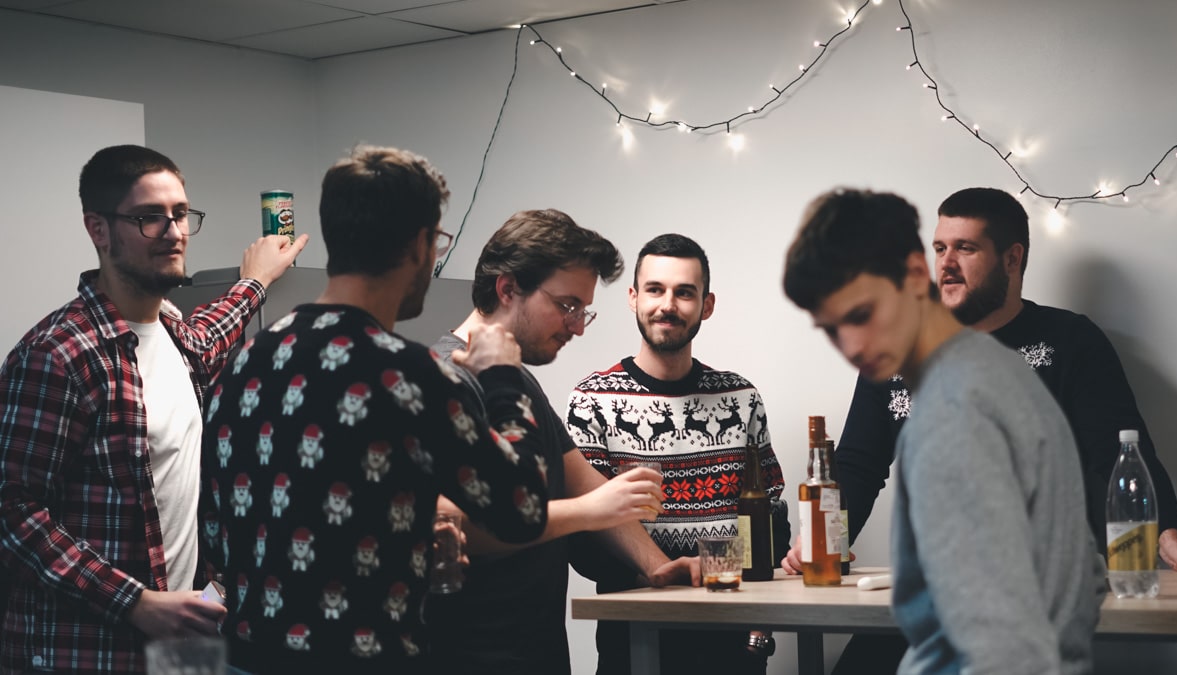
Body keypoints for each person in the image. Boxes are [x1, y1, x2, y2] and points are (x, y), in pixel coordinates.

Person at [199, 146, 552, 674]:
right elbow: (521, 510)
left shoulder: (249, 358)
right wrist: (502, 376)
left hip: (248, 659)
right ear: (419, 245)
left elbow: (216, 533)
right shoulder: (408, 375)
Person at [831, 186, 1177, 672]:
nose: (945, 264)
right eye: (940, 247)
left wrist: (1167, 536)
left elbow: (1118, 454)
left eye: (965, 248)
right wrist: (823, 543)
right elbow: (858, 464)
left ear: (1012, 258)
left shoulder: (1069, 341)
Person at [0, 144, 305, 673]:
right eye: (148, 218)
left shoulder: (173, 333)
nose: (174, 231)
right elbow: (12, 509)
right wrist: (134, 602)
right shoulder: (57, 355)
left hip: (176, 646)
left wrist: (257, 281)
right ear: (98, 229)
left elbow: (214, 333)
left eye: (181, 214)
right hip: (85, 651)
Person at [782, 187, 1106, 674]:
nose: (849, 346)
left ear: (915, 275)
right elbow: (1087, 575)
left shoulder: (951, 414)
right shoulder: (1002, 371)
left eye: (860, 315)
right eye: (830, 328)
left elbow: (1002, 651)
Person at [425, 210, 698, 675]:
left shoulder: (516, 382)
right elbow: (452, 530)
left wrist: (655, 565)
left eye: (583, 309)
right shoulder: (444, 376)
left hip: (535, 653)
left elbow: (587, 485)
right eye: (568, 305)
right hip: (469, 657)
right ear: (508, 289)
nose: (578, 326)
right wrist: (591, 512)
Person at [567, 234, 791, 675]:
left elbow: (772, 525)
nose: (667, 304)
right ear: (633, 298)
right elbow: (583, 540)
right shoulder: (592, 400)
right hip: (633, 640)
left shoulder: (740, 398)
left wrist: (700, 569)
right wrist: (672, 570)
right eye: (655, 289)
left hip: (732, 640)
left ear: (706, 305)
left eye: (684, 292)